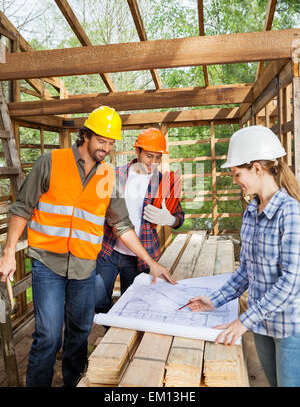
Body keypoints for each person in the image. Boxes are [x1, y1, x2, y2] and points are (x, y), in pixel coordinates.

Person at [0, 106, 176, 387]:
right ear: (85, 136)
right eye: (101, 141)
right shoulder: (50, 162)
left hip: (84, 265)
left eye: (111, 143)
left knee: (80, 332)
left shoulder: (109, 178)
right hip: (48, 263)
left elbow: (123, 227)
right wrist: (8, 254)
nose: (106, 148)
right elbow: (22, 208)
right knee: (48, 336)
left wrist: (151, 262)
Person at [188, 125, 300, 387]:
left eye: (238, 173)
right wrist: (214, 300)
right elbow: (245, 271)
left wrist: (243, 321)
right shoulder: (251, 211)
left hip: (290, 328)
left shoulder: (291, 213)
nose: (236, 180)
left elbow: (291, 283)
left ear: (257, 169)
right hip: (262, 326)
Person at [95, 127, 184, 313]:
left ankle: (120, 331)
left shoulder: (163, 183)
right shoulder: (115, 175)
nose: (153, 163)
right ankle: (111, 328)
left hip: (139, 257)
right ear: (137, 152)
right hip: (108, 250)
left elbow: (179, 218)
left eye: (158, 158)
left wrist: (169, 220)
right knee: (97, 300)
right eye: (149, 156)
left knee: (133, 306)